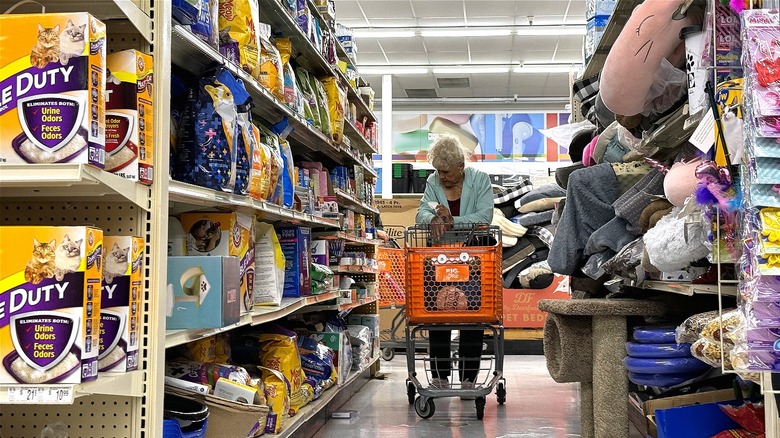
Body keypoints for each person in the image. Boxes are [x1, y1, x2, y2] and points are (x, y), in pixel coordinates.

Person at [415, 134, 494, 392]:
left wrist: (453, 222)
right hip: (440, 257)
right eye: (437, 171)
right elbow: (422, 210)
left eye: (446, 171)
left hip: (473, 257)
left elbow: (485, 215)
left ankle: (469, 377)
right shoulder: (432, 182)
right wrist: (432, 219)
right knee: (439, 312)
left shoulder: (480, 180)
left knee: (472, 313)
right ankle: (440, 375)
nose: (441, 177)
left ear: (461, 166)